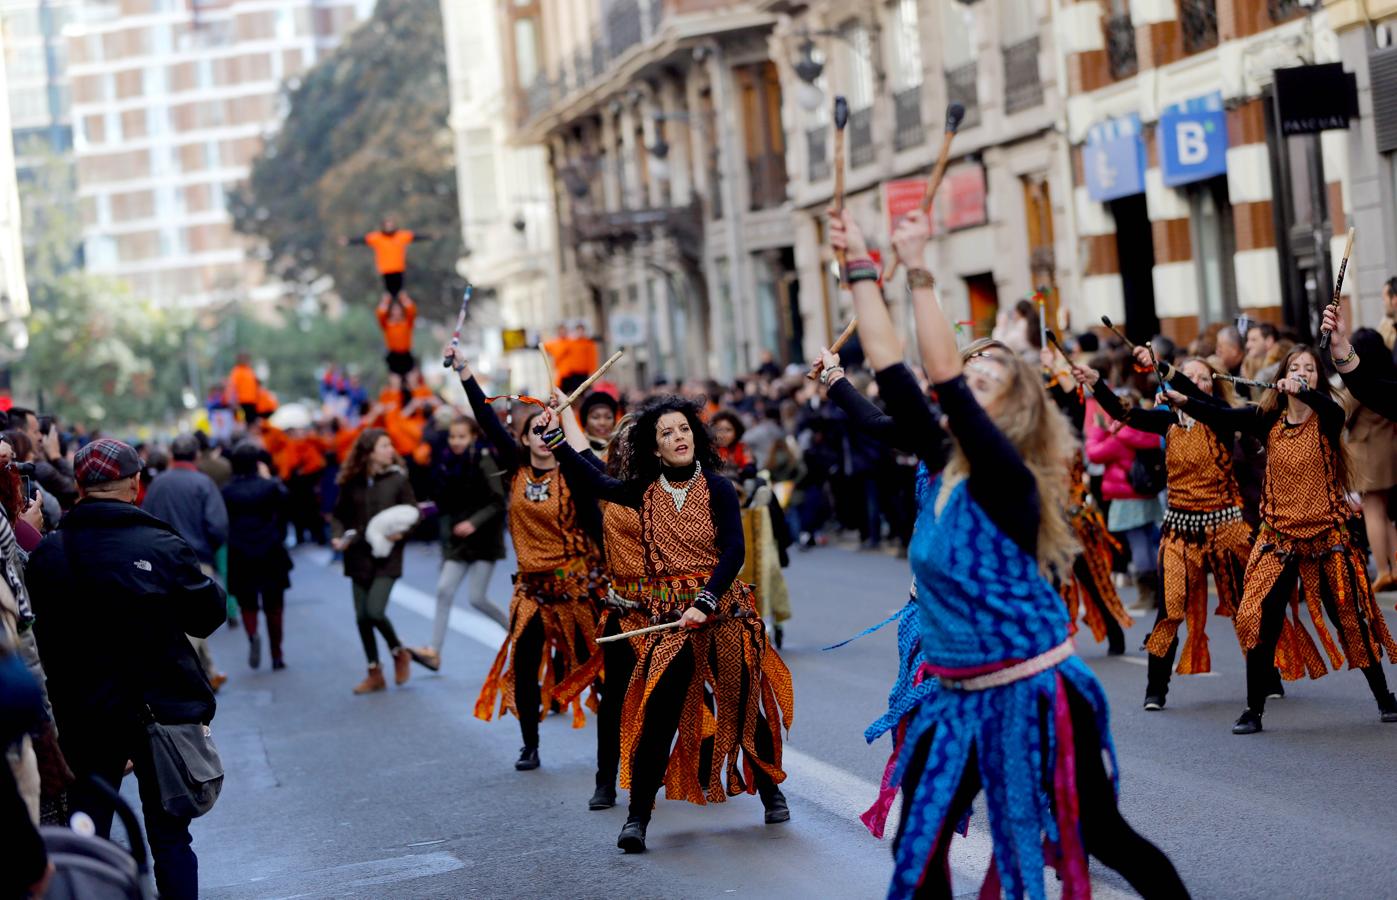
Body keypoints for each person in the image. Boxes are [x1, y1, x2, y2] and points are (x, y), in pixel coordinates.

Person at [833, 207, 1187, 898]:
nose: (974, 374)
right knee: (918, 842)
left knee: (1099, 834)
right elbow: (893, 372)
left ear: (1016, 408)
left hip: (1035, 690)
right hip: (957, 695)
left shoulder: (1007, 478)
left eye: (990, 370)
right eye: (973, 367)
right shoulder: (945, 460)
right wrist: (857, 269)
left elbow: (937, 377)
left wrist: (919, 271)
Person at [537, 392, 793, 854]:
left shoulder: (718, 487)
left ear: (695, 436)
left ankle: (773, 793)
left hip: (722, 614)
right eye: (666, 433)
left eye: (683, 429)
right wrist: (556, 438)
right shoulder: (643, 490)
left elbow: (734, 551)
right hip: (670, 620)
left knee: (740, 706)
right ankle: (637, 819)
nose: (678, 437)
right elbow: (594, 479)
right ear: (654, 448)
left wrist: (707, 599)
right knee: (658, 715)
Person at [27, 438, 227, 900]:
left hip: (85, 714)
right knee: (171, 835)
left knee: (88, 836)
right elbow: (206, 613)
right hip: (161, 709)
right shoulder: (158, 543)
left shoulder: (51, 554)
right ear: (136, 484)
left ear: (79, 487)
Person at [1164, 345, 1397, 732]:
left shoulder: (1327, 417)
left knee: (1350, 620)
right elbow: (1218, 412)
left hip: (1327, 537)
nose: (1303, 371)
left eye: (1310, 368)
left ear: (1319, 378)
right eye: (1295, 367)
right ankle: (1253, 709)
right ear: (1282, 374)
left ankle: (1384, 697)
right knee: (1256, 617)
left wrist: (1303, 390)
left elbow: (1332, 408)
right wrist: (1183, 395)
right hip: (1279, 540)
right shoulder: (1266, 419)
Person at [1073, 350, 1259, 710]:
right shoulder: (1167, 421)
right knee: (1170, 609)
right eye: (1189, 376)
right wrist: (1098, 386)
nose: (1196, 382)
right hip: (1179, 530)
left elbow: (1203, 401)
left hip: (1226, 527)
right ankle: (1156, 687)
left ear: (1213, 386)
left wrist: (1179, 381)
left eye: (1203, 377)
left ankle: (1265, 677)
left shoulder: (1221, 420)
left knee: (1244, 609)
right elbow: (1125, 414)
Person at [455, 352, 604, 770]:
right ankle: (530, 745)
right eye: (534, 430)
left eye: (548, 429)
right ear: (522, 438)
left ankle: (615, 744)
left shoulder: (575, 474)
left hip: (577, 592)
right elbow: (486, 420)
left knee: (600, 669)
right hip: (531, 592)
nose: (541, 436)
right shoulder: (516, 471)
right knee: (523, 668)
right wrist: (466, 373)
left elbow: (598, 527)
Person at [410, 417, 508, 671]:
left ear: (473, 437)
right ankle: (433, 651)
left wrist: (474, 522)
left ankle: (517, 634)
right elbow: (445, 501)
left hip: (484, 537)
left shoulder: (484, 459)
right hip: (458, 539)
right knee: (443, 590)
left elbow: (499, 500)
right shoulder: (447, 462)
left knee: (477, 598)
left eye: (461, 437)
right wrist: (426, 509)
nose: (456, 441)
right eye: (453, 436)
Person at [331, 429, 418, 694]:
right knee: (361, 617)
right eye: (384, 445)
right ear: (369, 452)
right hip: (357, 553)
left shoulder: (398, 479)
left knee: (374, 611)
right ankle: (374, 672)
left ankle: (398, 652)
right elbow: (338, 515)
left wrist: (402, 533)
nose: (390, 449)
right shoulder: (351, 481)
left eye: (390, 445)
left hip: (387, 555)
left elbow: (415, 514)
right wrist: (337, 537)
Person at [143, 433, 230, 692]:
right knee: (197, 619)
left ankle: (209, 671)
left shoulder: (158, 485)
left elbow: (146, 518)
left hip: (160, 560)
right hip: (197, 558)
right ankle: (186, 676)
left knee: (181, 617)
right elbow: (218, 526)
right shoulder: (203, 483)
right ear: (196, 455)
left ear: (172, 454)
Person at [222, 443, 293, 670]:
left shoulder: (227, 491)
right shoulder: (271, 486)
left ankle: (252, 634)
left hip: (241, 550)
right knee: (274, 605)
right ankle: (277, 654)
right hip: (270, 548)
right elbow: (285, 510)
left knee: (247, 602)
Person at [342, 217, 431, 300]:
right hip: (386, 269)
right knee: (388, 294)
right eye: (387, 226)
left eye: (391, 225)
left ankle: (406, 312)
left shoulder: (401, 236)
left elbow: (415, 237)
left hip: (398, 268)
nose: (389, 228)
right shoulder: (377, 237)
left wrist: (429, 236)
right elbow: (362, 240)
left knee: (401, 293)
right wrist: (348, 241)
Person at [376, 292, 418, 375]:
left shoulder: (407, 323)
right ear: (391, 312)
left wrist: (404, 299)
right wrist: (385, 301)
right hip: (393, 355)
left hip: (406, 354)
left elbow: (412, 311)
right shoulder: (387, 324)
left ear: (402, 311)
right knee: (395, 378)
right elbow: (380, 314)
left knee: (409, 376)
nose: (396, 312)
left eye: (398, 310)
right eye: (394, 310)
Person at [579, 390, 619, 456]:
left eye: (608, 417)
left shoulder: (623, 448)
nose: (602, 423)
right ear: (585, 422)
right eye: (595, 417)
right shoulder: (577, 449)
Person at [226, 354, 261, 424]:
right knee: (241, 423)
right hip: (241, 403)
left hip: (252, 402)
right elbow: (232, 388)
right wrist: (233, 402)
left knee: (251, 423)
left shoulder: (250, 371)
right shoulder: (236, 371)